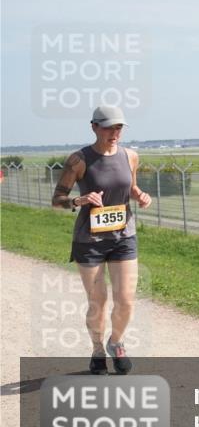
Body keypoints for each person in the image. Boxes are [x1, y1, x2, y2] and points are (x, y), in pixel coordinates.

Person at [51, 105, 152, 375]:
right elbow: (57, 200)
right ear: (94, 127)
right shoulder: (78, 160)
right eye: (108, 127)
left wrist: (141, 196)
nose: (114, 133)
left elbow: (130, 188)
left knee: (126, 300)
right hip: (90, 241)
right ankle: (97, 350)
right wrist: (79, 200)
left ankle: (116, 343)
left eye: (119, 127)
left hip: (124, 236)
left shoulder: (130, 156)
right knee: (98, 301)